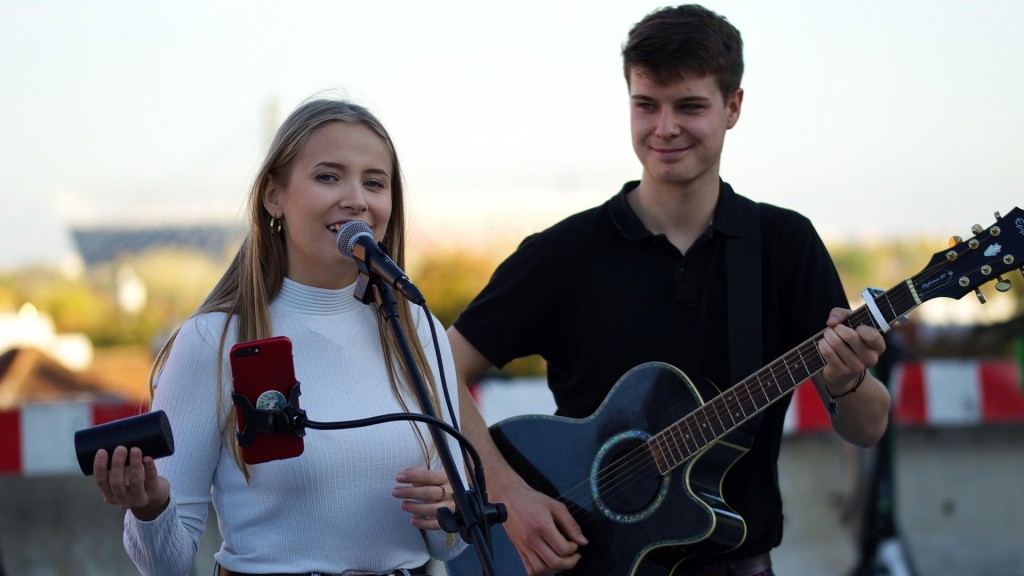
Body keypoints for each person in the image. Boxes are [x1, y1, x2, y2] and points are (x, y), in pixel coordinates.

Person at [447, 5, 891, 575]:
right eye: (645, 105)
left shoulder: (784, 244)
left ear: (733, 107)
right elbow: (436, 367)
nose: (664, 128)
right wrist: (508, 493)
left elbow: (867, 426)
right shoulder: (564, 252)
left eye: (690, 106)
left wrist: (848, 379)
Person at [91, 98, 467, 575]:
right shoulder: (214, 339)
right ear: (274, 196)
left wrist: (446, 514)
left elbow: (448, 547)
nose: (357, 198)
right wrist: (148, 509)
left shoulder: (418, 331)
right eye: (328, 177)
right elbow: (166, 565)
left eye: (375, 182)